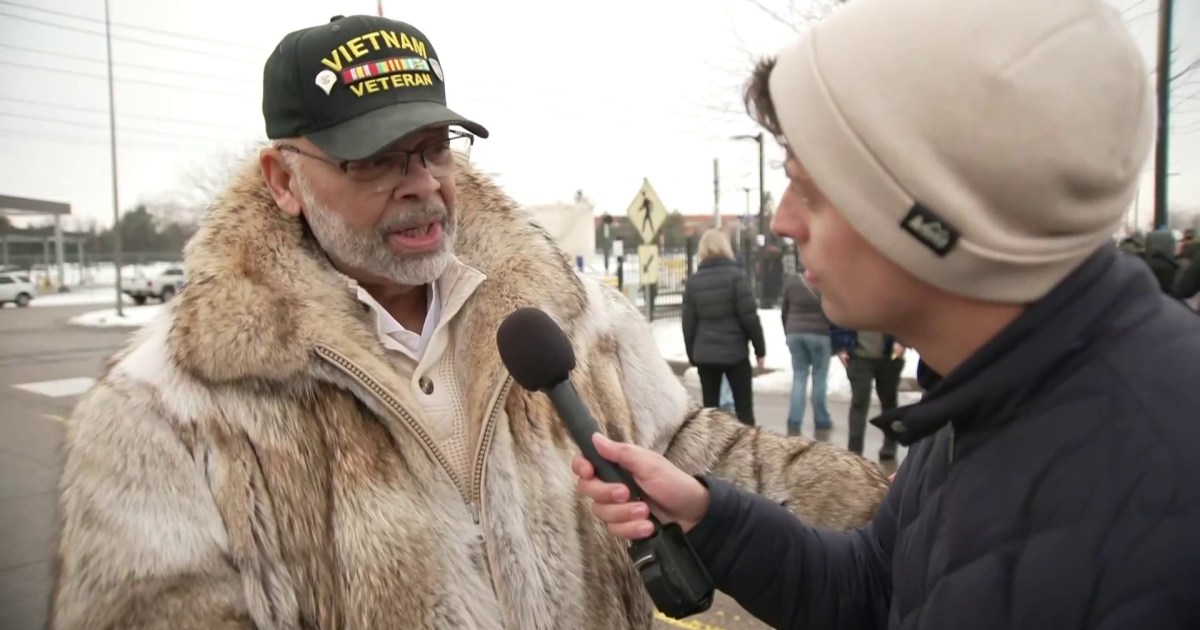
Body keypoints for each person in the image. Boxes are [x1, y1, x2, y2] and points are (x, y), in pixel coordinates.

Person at [48, 14, 891, 630]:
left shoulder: (567, 313)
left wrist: (918, 513)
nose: (420, 183)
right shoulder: (167, 408)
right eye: (376, 158)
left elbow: (701, 456)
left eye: (434, 147)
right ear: (282, 177)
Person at [571, 0, 1200, 627]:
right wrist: (710, 517)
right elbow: (873, 589)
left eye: (810, 188)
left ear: (934, 218)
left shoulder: (1163, 502)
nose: (786, 221)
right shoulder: (981, 395)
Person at [681, 228, 766, 425]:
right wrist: (759, 350)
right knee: (744, 410)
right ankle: (748, 451)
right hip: (735, 354)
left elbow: (688, 323)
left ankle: (712, 453)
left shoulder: (694, 283)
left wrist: (692, 354)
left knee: (710, 412)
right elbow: (749, 317)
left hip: (705, 355)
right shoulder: (737, 277)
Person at [831, 325, 905, 458]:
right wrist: (841, 347)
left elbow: (904, 317)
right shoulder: (852, 304)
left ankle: (889, 445)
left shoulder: (891, 303)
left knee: (889, 401)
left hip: (889, 356)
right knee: (859, 402)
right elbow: (839, 321)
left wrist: (901, 340)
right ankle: (855, 450)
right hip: (859, 357)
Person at [780, 267, 833, 437]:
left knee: (799, 376)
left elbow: (784, 310)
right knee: (819, 378)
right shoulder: (827, 283)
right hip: (820, 334)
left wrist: (788, 331)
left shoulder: (792, 282)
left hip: (795, 333)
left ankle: (794, 420)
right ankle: (822, 419)